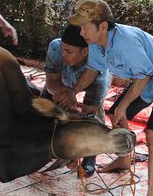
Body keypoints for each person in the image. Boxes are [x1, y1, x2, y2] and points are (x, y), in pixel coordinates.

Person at [68, 0, 153, 196]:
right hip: (146, 77)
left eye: (85, 27)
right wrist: (73, 91)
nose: (81, 33)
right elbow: (92, 70)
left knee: (152, 134)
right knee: (116, 114)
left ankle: (152, 193)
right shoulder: (95, 42)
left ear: (102, 26)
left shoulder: (125, 42)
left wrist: (125, 105)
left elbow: (143, 77)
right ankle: (123, 159)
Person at [42, 24, 111, 177]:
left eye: (69, 52)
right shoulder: (56, 48)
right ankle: (47, 145)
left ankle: (90, 156)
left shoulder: (98, 67)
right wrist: (64, 93)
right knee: (41, 110)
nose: (63, 55)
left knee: (91, 120)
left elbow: (89, 109)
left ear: (85, 51)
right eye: (63, 49)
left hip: (93, 84)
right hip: (63, 83)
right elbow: (51, 82)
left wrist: (76, 149)